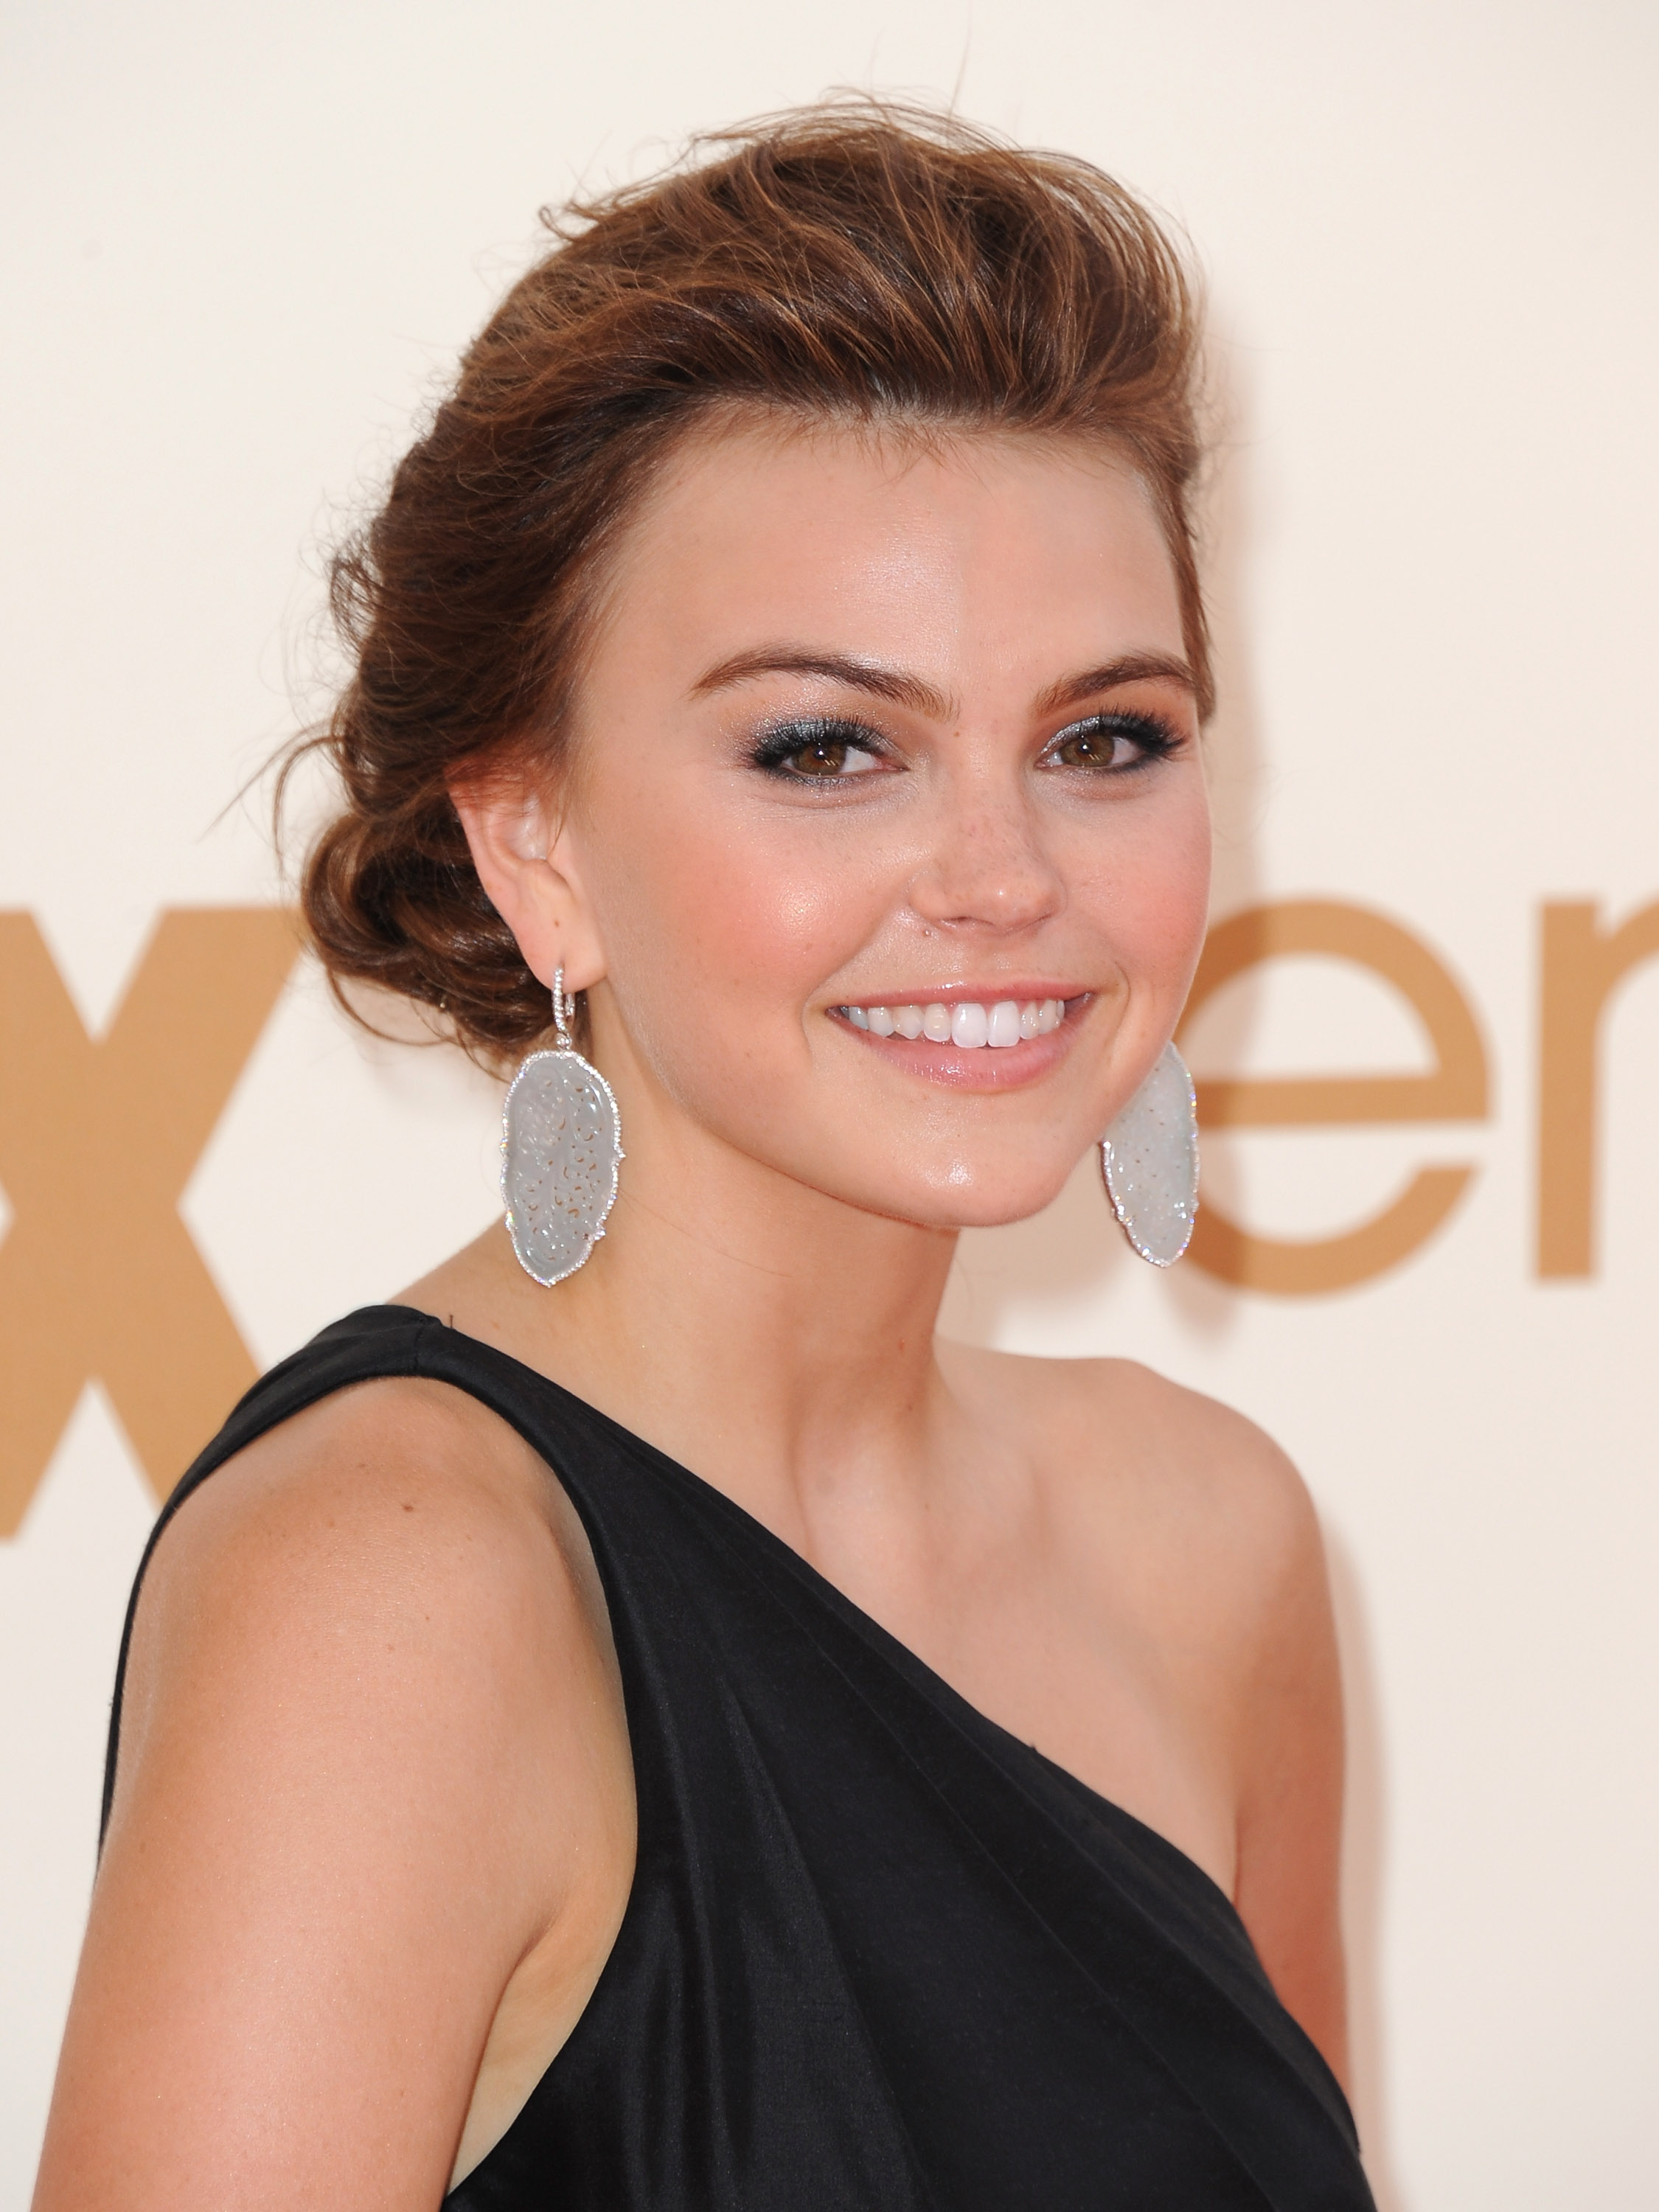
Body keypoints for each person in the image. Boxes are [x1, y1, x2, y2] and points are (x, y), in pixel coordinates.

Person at [33, 104, 1376, 2211]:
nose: (1005, 876)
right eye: (826, 747)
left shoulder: (1210, 1541)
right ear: (534, 841)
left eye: (1103, 738)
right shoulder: (389, 1598)